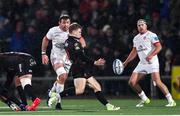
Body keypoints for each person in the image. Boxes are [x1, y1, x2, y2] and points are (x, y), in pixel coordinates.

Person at [49, 23, 120, 111]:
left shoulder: (68, 41)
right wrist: (95, 62)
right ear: (73, 32)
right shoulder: (75, 43)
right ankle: (57, 95)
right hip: (79, 67)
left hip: (80, 67)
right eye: (79, 32)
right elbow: (81, 56)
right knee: (79, 90)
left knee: (97, 87)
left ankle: (108, 106)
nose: (80, 33)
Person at [123, 19, 176, 107]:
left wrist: (151, 55)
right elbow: (134, 52)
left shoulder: (151, 35)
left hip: (152, 62)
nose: (140, 27)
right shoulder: (136, 38)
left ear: (146, 26)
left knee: (157, 81)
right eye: (138, 25)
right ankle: (145, 99)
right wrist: (126, 62)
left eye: (142, 25)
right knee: (132, 82)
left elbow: (159, 47)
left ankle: (171, 100)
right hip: (142, 63)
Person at [41, 14, 86, 109]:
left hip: (67, 58)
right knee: (62, 76)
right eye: (64, 22)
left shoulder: (72, 30)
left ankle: (51, 93)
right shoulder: (53, 31)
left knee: (62, 78)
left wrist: (82, 46)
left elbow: (80, 38)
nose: (66, 25)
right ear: (59, 23)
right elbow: (45, 39)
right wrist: (43, 53)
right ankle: (58, 103)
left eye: (67, 22)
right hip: (56, 56)